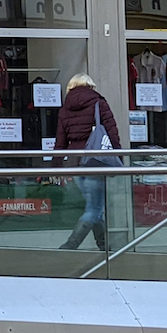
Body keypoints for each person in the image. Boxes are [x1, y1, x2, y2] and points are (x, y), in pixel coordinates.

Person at [53, 73, 123, 252]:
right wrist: (119, 158)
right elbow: (112, 133)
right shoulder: (99, 103)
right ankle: (70, 246)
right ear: (91, 86)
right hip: (95, 162)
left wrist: (56, 166)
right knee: (94, 208)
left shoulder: (65, 108)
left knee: (95, 207)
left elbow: (60, 141)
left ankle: (105, 248)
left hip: (74, 164)